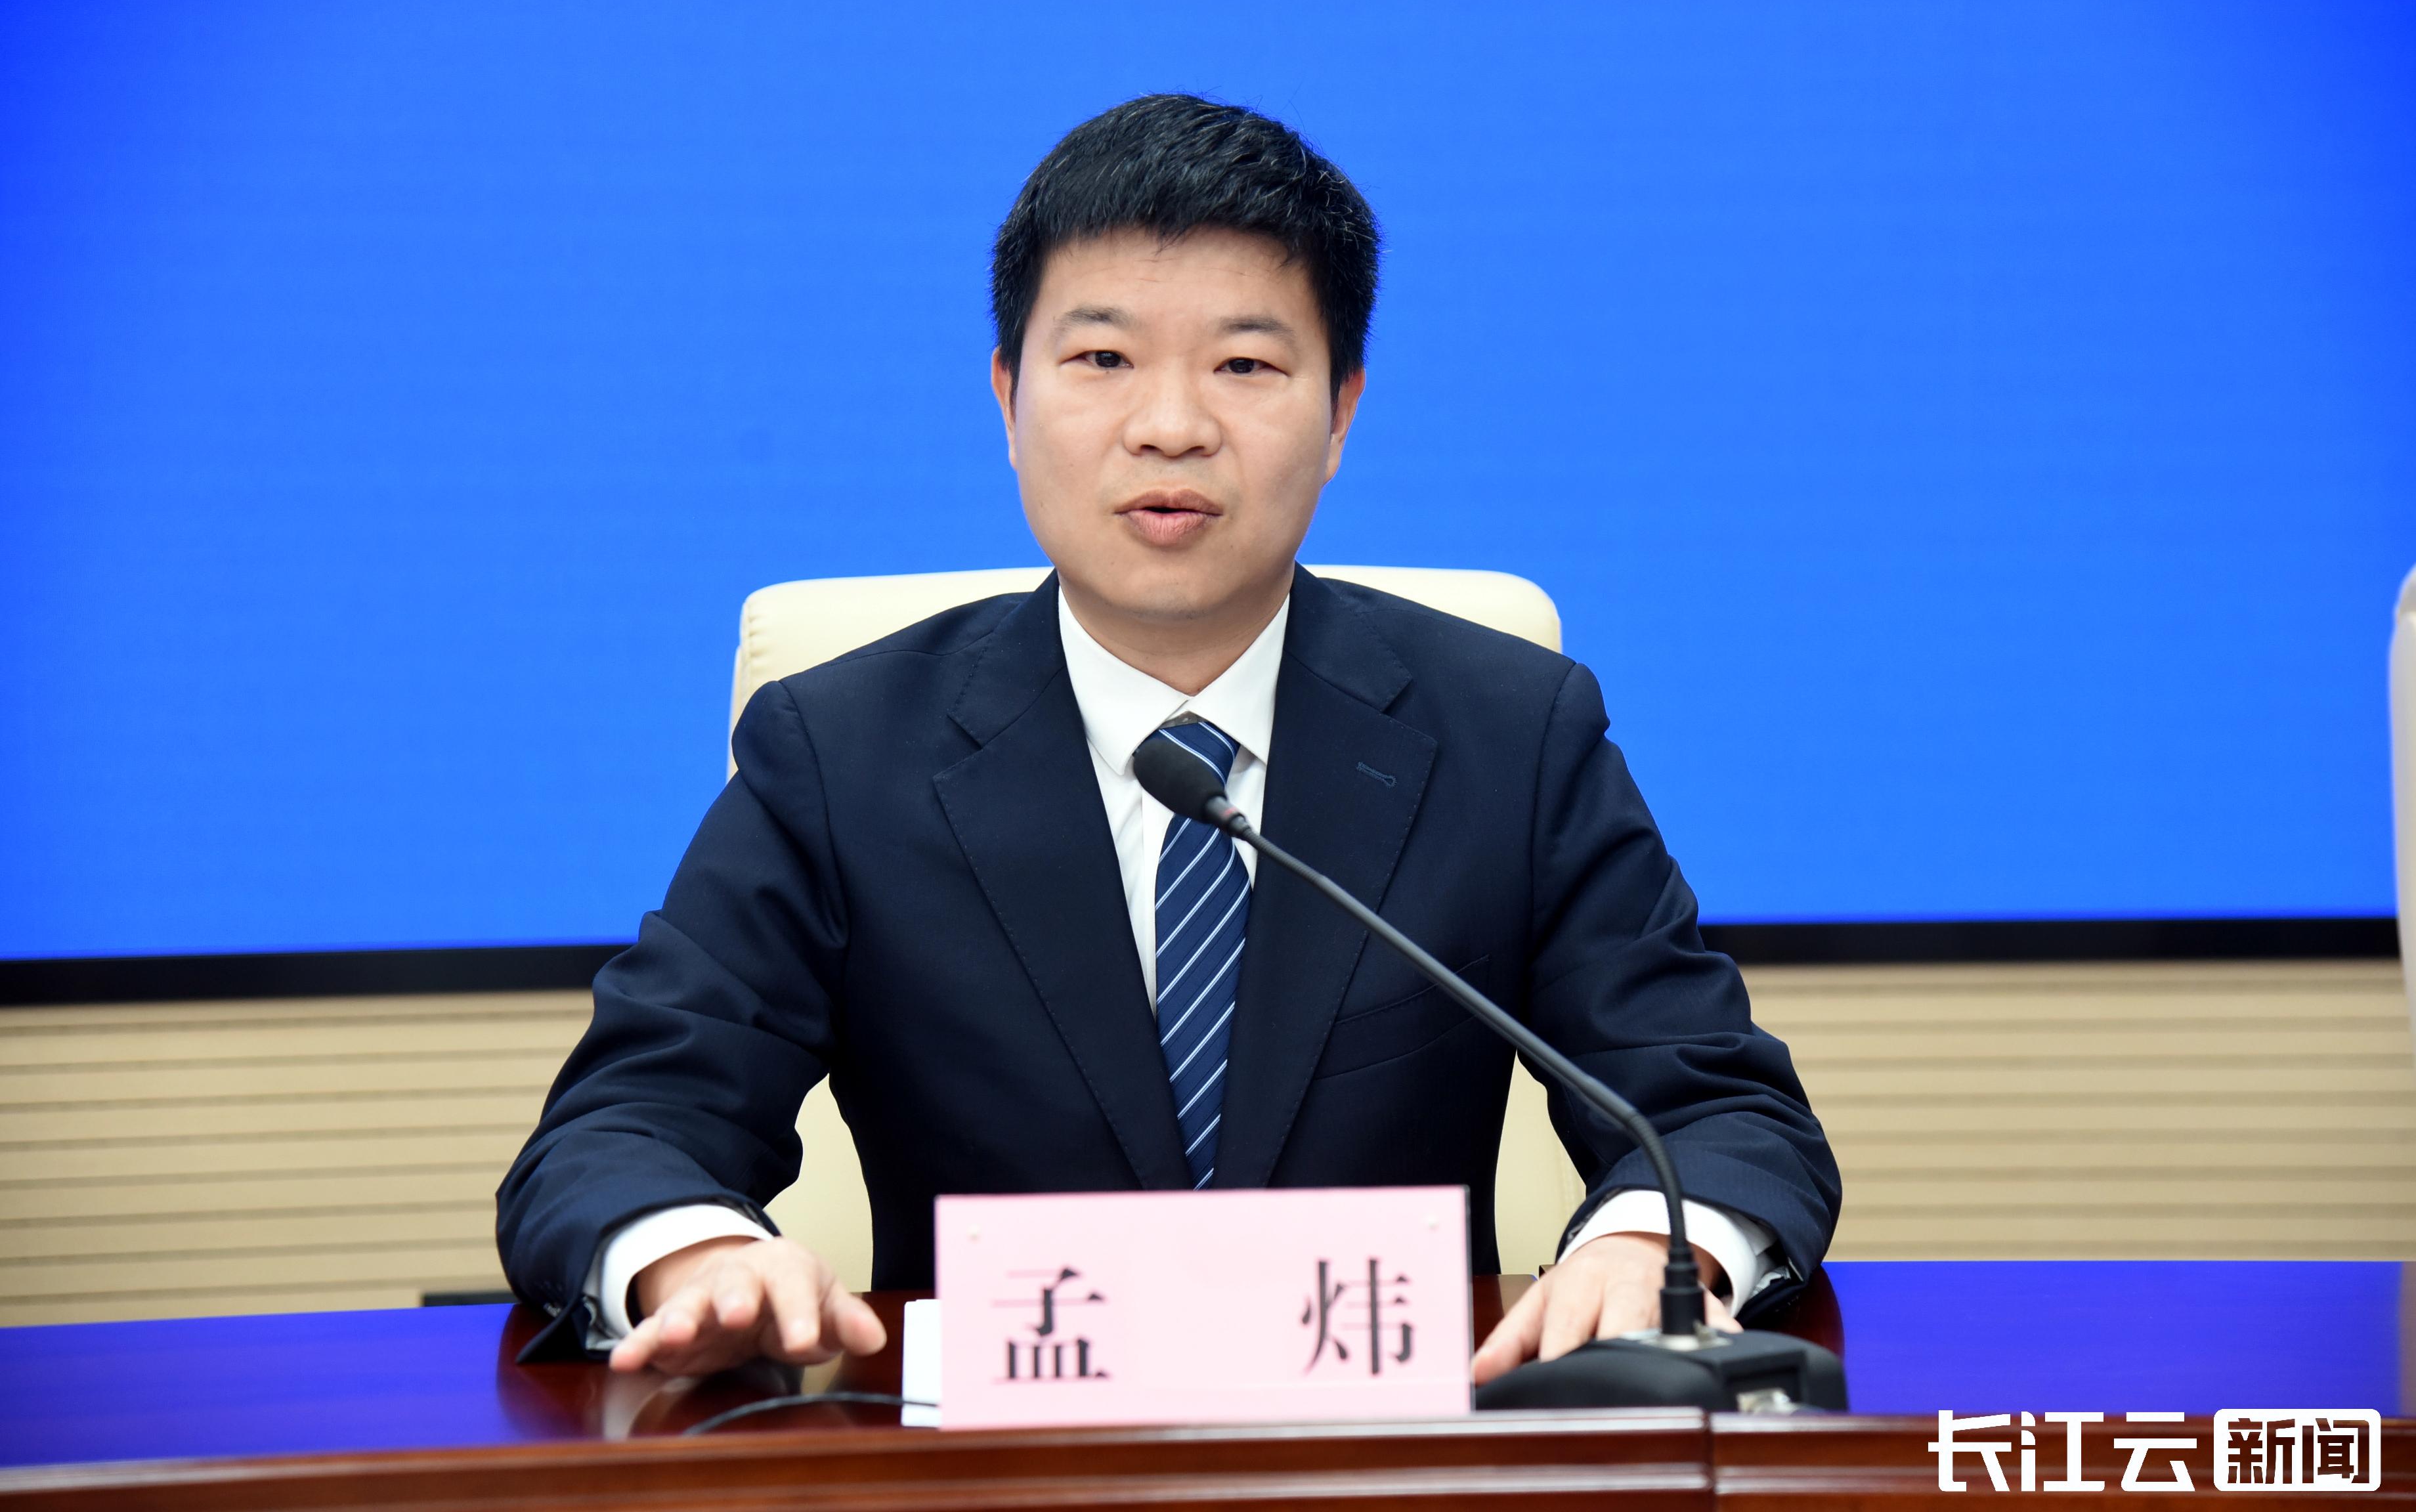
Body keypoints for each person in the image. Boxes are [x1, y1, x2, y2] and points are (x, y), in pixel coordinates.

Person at [498, 94, 1840, 1384]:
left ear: (1341, 412)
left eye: (1246, 365)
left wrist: (1651, 1245)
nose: (1171, 427)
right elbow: (626, 1124)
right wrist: (695, 1253)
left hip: (1391, 1468)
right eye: (1102, 360)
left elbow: (1716, 1106)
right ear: (1007, 398)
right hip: (993, 1475)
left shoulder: (1509, 731)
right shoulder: (838, 756)